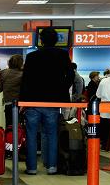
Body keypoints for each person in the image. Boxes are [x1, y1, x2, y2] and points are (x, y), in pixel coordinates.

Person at [19, 27, 74, 175]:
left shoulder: (32, 57)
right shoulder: (62, 55)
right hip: (53, 102)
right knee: (52, 134)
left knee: (31, 134)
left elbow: (25, 81)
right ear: (56, 40)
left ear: (41, 40)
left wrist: (22, 101)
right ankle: (52, 167)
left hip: (33, 103)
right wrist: (62, 89)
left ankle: (31, 168)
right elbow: (70, 76)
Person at [0, 54, 24, 127]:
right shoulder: (23, 73)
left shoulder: (3, 72)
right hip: (20, 105)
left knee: (9, 126)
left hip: (8, 104)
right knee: (19, 127)